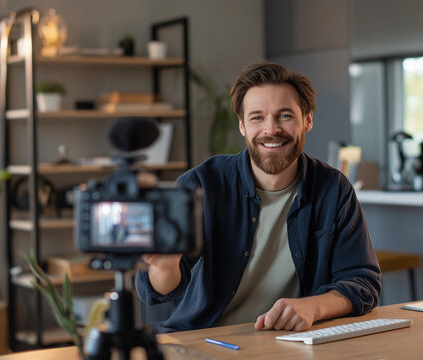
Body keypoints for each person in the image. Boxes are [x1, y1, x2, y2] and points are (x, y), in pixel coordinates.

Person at [135, 62, 381, 333]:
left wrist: (314, 306)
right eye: (257, 117)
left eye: (285, 115)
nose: (271, 129)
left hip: (292, 342)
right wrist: (166, 266)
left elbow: (362, 281)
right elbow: (155, 293)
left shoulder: (333, 189)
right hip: (208, 339)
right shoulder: (201, 185)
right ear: (242, 125)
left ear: (307, 119)